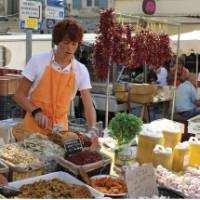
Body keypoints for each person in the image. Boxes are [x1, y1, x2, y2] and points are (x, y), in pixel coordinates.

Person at [14, 18, 98, 147]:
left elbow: (88, 105)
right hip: (32, 130)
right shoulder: (38, 61)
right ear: (57, 41)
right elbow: (19, 95)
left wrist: (92, 129)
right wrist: (36, 112)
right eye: (66, 43)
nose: (70, 48)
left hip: (61, 134)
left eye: (74, 44)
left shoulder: (81, 70)